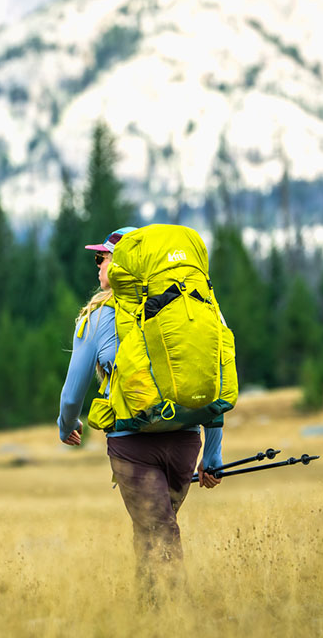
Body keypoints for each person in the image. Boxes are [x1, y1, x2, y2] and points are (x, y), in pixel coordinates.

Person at [57, 226, 223, 595]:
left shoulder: (97, 320)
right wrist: (212, 455)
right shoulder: (195, 309)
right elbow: (213, 384)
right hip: (185, 442)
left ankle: (178, 616)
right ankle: (146, 618)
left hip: (132, 446)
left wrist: (65, 425)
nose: (98, 264)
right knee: (151, 531)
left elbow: (72, 396)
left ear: (123, 266)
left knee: (159, 532)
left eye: (103, 258)